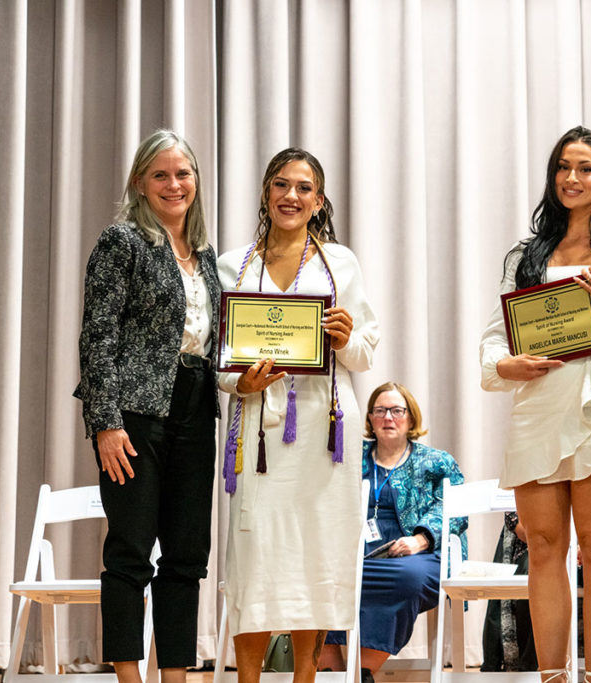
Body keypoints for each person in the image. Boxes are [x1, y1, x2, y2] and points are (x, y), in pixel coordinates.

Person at [480, 126, 591, 683]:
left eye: (585, 168)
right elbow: (494, 339)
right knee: (544, 550)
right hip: (537, 408)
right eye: (563, 167)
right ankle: (553, 677)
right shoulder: (524, 256)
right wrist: (505, 366)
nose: (571, 178)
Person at [217, 148, 380, 683]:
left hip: (322, 433)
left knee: (315, 558)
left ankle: (306, 680)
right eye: (281, 185)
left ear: (319, 200)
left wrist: (345, 335)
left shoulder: (341, 263)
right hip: (259, 438)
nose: (292, 196)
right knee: (255, 562)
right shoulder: (232, 265)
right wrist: (241, 382)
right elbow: (216, 359)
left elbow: (365, 351)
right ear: (266, 192)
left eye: (304, 187)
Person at [74, 130, 220, 683]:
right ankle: (130, 677)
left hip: (194, 409)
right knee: (130, 551)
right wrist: (105, 424)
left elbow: (212, 337)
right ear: (140, 182)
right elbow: (97, 337)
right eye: (160, 174)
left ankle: (176, 674)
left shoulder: (203, 253)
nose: (174, 184)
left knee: (186, 554)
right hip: (134, 415)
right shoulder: (122, 241)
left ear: (196, 181)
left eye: (182, 173)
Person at [320, 382, 467, 683]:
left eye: (397, 411)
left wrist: (420, 539)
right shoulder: (349, 457)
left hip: (419, 554)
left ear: (410, 419)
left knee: (406, 579)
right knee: (324, 576)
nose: (388, 418)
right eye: (380, 411)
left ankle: (362, 673)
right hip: (356, 552)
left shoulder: (436, 461)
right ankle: (332, 673)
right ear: (370, 419)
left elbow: (455, 510)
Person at [481, 480, 591, 683]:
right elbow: (515, 518)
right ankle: (538, 668)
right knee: (537, 559)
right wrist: (567, 546)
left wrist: (589, 546)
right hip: (548, 544)